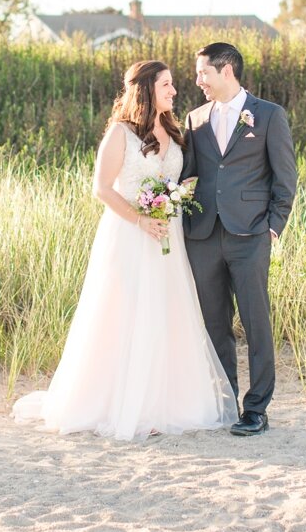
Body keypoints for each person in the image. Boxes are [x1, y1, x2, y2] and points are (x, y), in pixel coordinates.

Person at [12, 60, 238, 441]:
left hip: (168, 235)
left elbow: (181, 177)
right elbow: (101, 188)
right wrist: (141, 220)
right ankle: (125, 404)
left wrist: (177, 199)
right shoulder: (119, 134)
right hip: (131, 236)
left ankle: (167, 403)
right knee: (127, 316)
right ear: (147, 89)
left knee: (168, 315)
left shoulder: (173, 129)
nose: (174, 91)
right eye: (167, 85)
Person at [182, 42, 297, 436]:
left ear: (226, 69)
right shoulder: (194, 119)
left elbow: (285, 177)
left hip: (250, 234)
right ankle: (225, 400)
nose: (198, 82)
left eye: (203, 73)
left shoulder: (268, 115)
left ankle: (256, 408)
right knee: (215, 322)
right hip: (203, 235)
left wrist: (274, 225)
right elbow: (189, 175)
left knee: (256, 321)